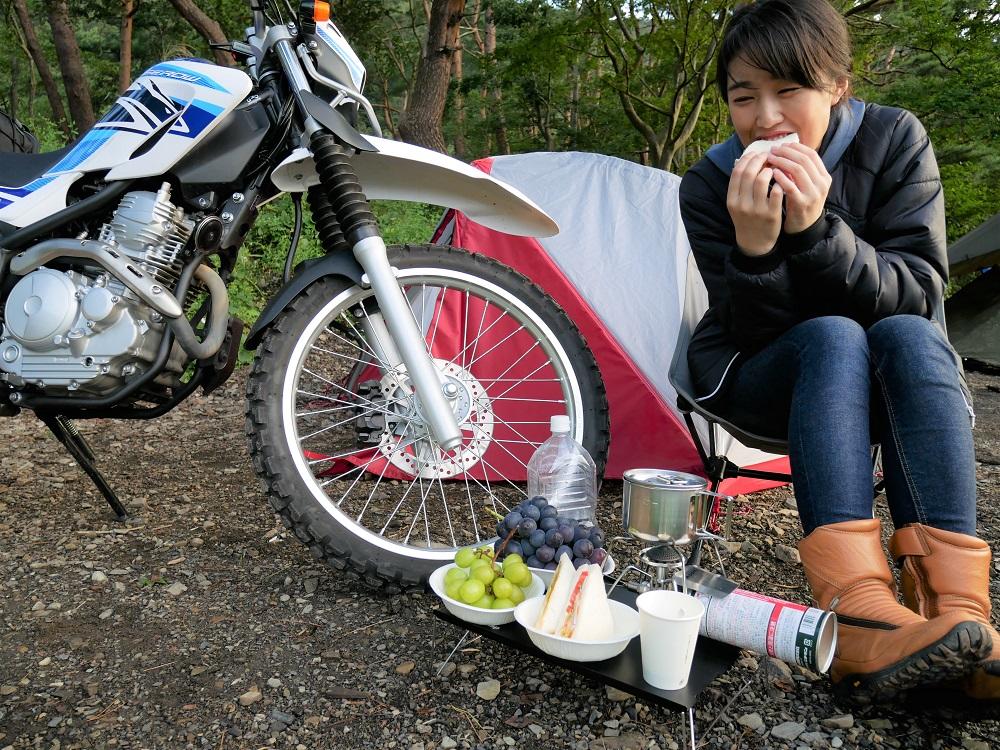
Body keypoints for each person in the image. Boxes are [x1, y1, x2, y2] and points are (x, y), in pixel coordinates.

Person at [678, 0, 998, 703]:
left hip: (892, 364)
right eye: (743, 96)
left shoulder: (894, 141)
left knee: (910, 334)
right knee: (832, 334)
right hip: (756, 373)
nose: (765, 117)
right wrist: (756, 248)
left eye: (789, 89)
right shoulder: (710, 184)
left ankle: (958, 619)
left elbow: (919, 294)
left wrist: (819, 229)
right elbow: (746, 331)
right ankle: (858, 614)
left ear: (837, 87)